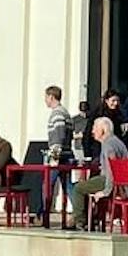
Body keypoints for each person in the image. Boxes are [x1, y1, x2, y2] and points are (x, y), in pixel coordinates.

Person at [70, 116, 128, 231]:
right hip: (122, 180)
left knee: (78, 188)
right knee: (87, 184)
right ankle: (91, 218)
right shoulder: (116, 141)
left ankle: (80, 222)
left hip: (113, 181)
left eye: (95, 128)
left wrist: (105, 191)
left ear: (103, 129)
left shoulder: (108, 144)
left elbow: (110, 170)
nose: (92, 131)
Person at [41, 86, 74, 225]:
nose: (45, 100)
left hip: (58, 154)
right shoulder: (65, 113)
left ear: (51, 97)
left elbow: (59, 135)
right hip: (66, 153)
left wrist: (54, 156)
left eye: (46, 97)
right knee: (68, 186)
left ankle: (45, 216)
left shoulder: (57, 114)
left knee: (48, 185)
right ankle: (80, 212)